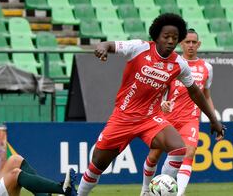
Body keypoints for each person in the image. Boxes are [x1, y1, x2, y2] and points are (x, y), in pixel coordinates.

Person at [77, 13, 225, 196]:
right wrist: (102, 47)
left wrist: (213, 119)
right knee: (97, 165)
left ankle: (160, 192)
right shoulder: (139, 48)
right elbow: (110, 45)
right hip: (123, 117)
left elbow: (195, 91)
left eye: (175, 38)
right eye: (166, 37)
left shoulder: (179, 64)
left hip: (150, 118)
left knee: (179, 148)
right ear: (156, 36)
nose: (170, 41)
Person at [140, 29, 220, 196]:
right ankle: (146, 190)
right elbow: (159, 89)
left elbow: (206, 96)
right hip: (167, 118)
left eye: (194, 42)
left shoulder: (207, 68)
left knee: (189, 152)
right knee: (154, 156)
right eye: (187, 42)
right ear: (181, 44)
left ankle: (178, 193)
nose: (190, 45)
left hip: (190, 119)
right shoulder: (173, 64)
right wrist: (162, 103)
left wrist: (214, 118)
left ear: (199, 44)